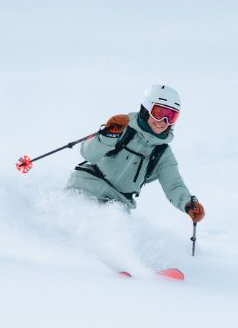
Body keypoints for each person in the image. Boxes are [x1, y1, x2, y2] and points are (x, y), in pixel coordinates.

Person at [66, 84, 204, 224]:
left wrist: (188, 203)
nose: (163, 122)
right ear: (146, 108)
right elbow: (88, 154)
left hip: (117, 205)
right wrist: (108, 135)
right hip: (86, 186)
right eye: (159, 113)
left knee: (114, 238)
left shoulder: (162, 153)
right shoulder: (122, 126)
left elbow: (174, 184)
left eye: (171, 116)